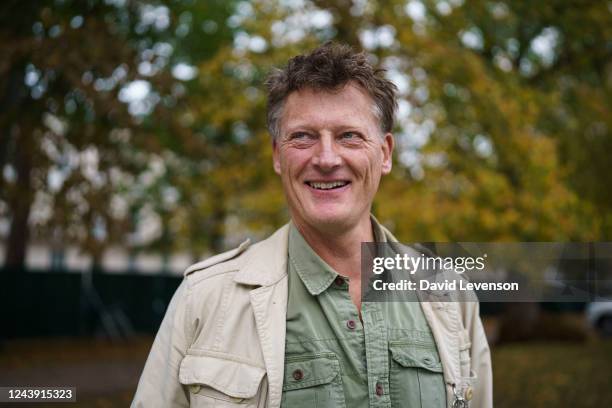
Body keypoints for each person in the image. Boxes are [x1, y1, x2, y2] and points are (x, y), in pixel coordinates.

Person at [132, 42, 492, 408]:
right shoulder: (205, 299)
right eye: (303, 136)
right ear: (277, 155)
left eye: (349, 135)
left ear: (384, 154)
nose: (326, 158)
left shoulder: (449, 296)